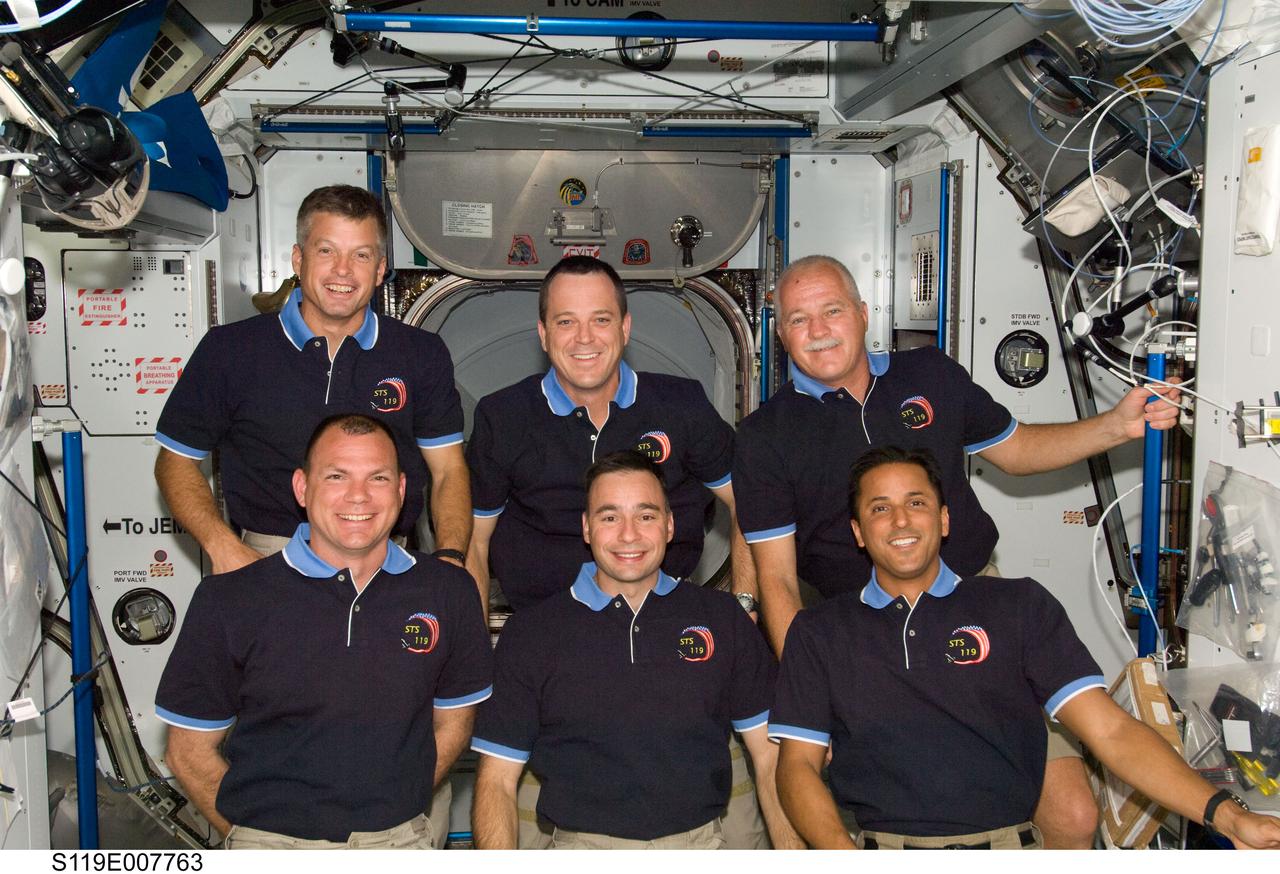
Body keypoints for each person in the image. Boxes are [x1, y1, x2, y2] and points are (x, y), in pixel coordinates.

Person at [732, 253, 1181, 846]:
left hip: (977, 598)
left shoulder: (932, 376)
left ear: (864, 315)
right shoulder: (766, 435)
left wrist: (1115, 428)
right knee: (900, 808)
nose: (817, 331)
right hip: (859, 632)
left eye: (832, 311)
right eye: (797, 319)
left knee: (1072, 813)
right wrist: (818, 694)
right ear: (780, 334)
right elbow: (779, 584)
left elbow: (1016, 448)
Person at [770, 445, 1280, 850]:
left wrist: (1228, 815)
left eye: (916, 503)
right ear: (859, 533)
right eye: (880, 509)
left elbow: (1112, 731)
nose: (901, 521)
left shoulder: (1017, 607)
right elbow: (797, 767)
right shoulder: (820, 632)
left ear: (944, 520)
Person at [465, 256, 768, 847]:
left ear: (626, 329)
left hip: (675, 650)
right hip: (549, 662)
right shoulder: (503, 417)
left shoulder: (679, 405)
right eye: (567, 322)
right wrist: (478, 661)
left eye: (601, 320)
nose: (584, 339)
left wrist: (744, 606)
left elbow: (750, 505)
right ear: (543, 332)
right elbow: (474, 545)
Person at [155, 414, 491, 849]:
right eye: (336, 476)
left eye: (378, 478)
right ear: (302, 488)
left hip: (398, 842)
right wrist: (254, 839)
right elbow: (187, 752)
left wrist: (390, 814)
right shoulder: (231, 599)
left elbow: (455, 721)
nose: (359, 496)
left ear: (402, 490)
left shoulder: (448, 592)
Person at [469, 451, 801, 850]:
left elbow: (770, 761)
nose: (629, 535)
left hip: (701, 847)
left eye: (646, 516)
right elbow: (497, 781)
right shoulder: (532, 633)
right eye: (610, 517)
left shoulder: (723, 619)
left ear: (670, 525)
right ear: (587, 528)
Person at [155, 184, 470, 575]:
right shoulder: (231, 351)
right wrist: (224, 548)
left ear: (380, 269)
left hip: (386, 562)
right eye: (327, 251)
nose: (343, 270)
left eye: (361, 255)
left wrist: (451, 558)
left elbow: (448, 471)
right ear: (298, 259)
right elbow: (175, 463)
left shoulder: (421, 354)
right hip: (268, 558)